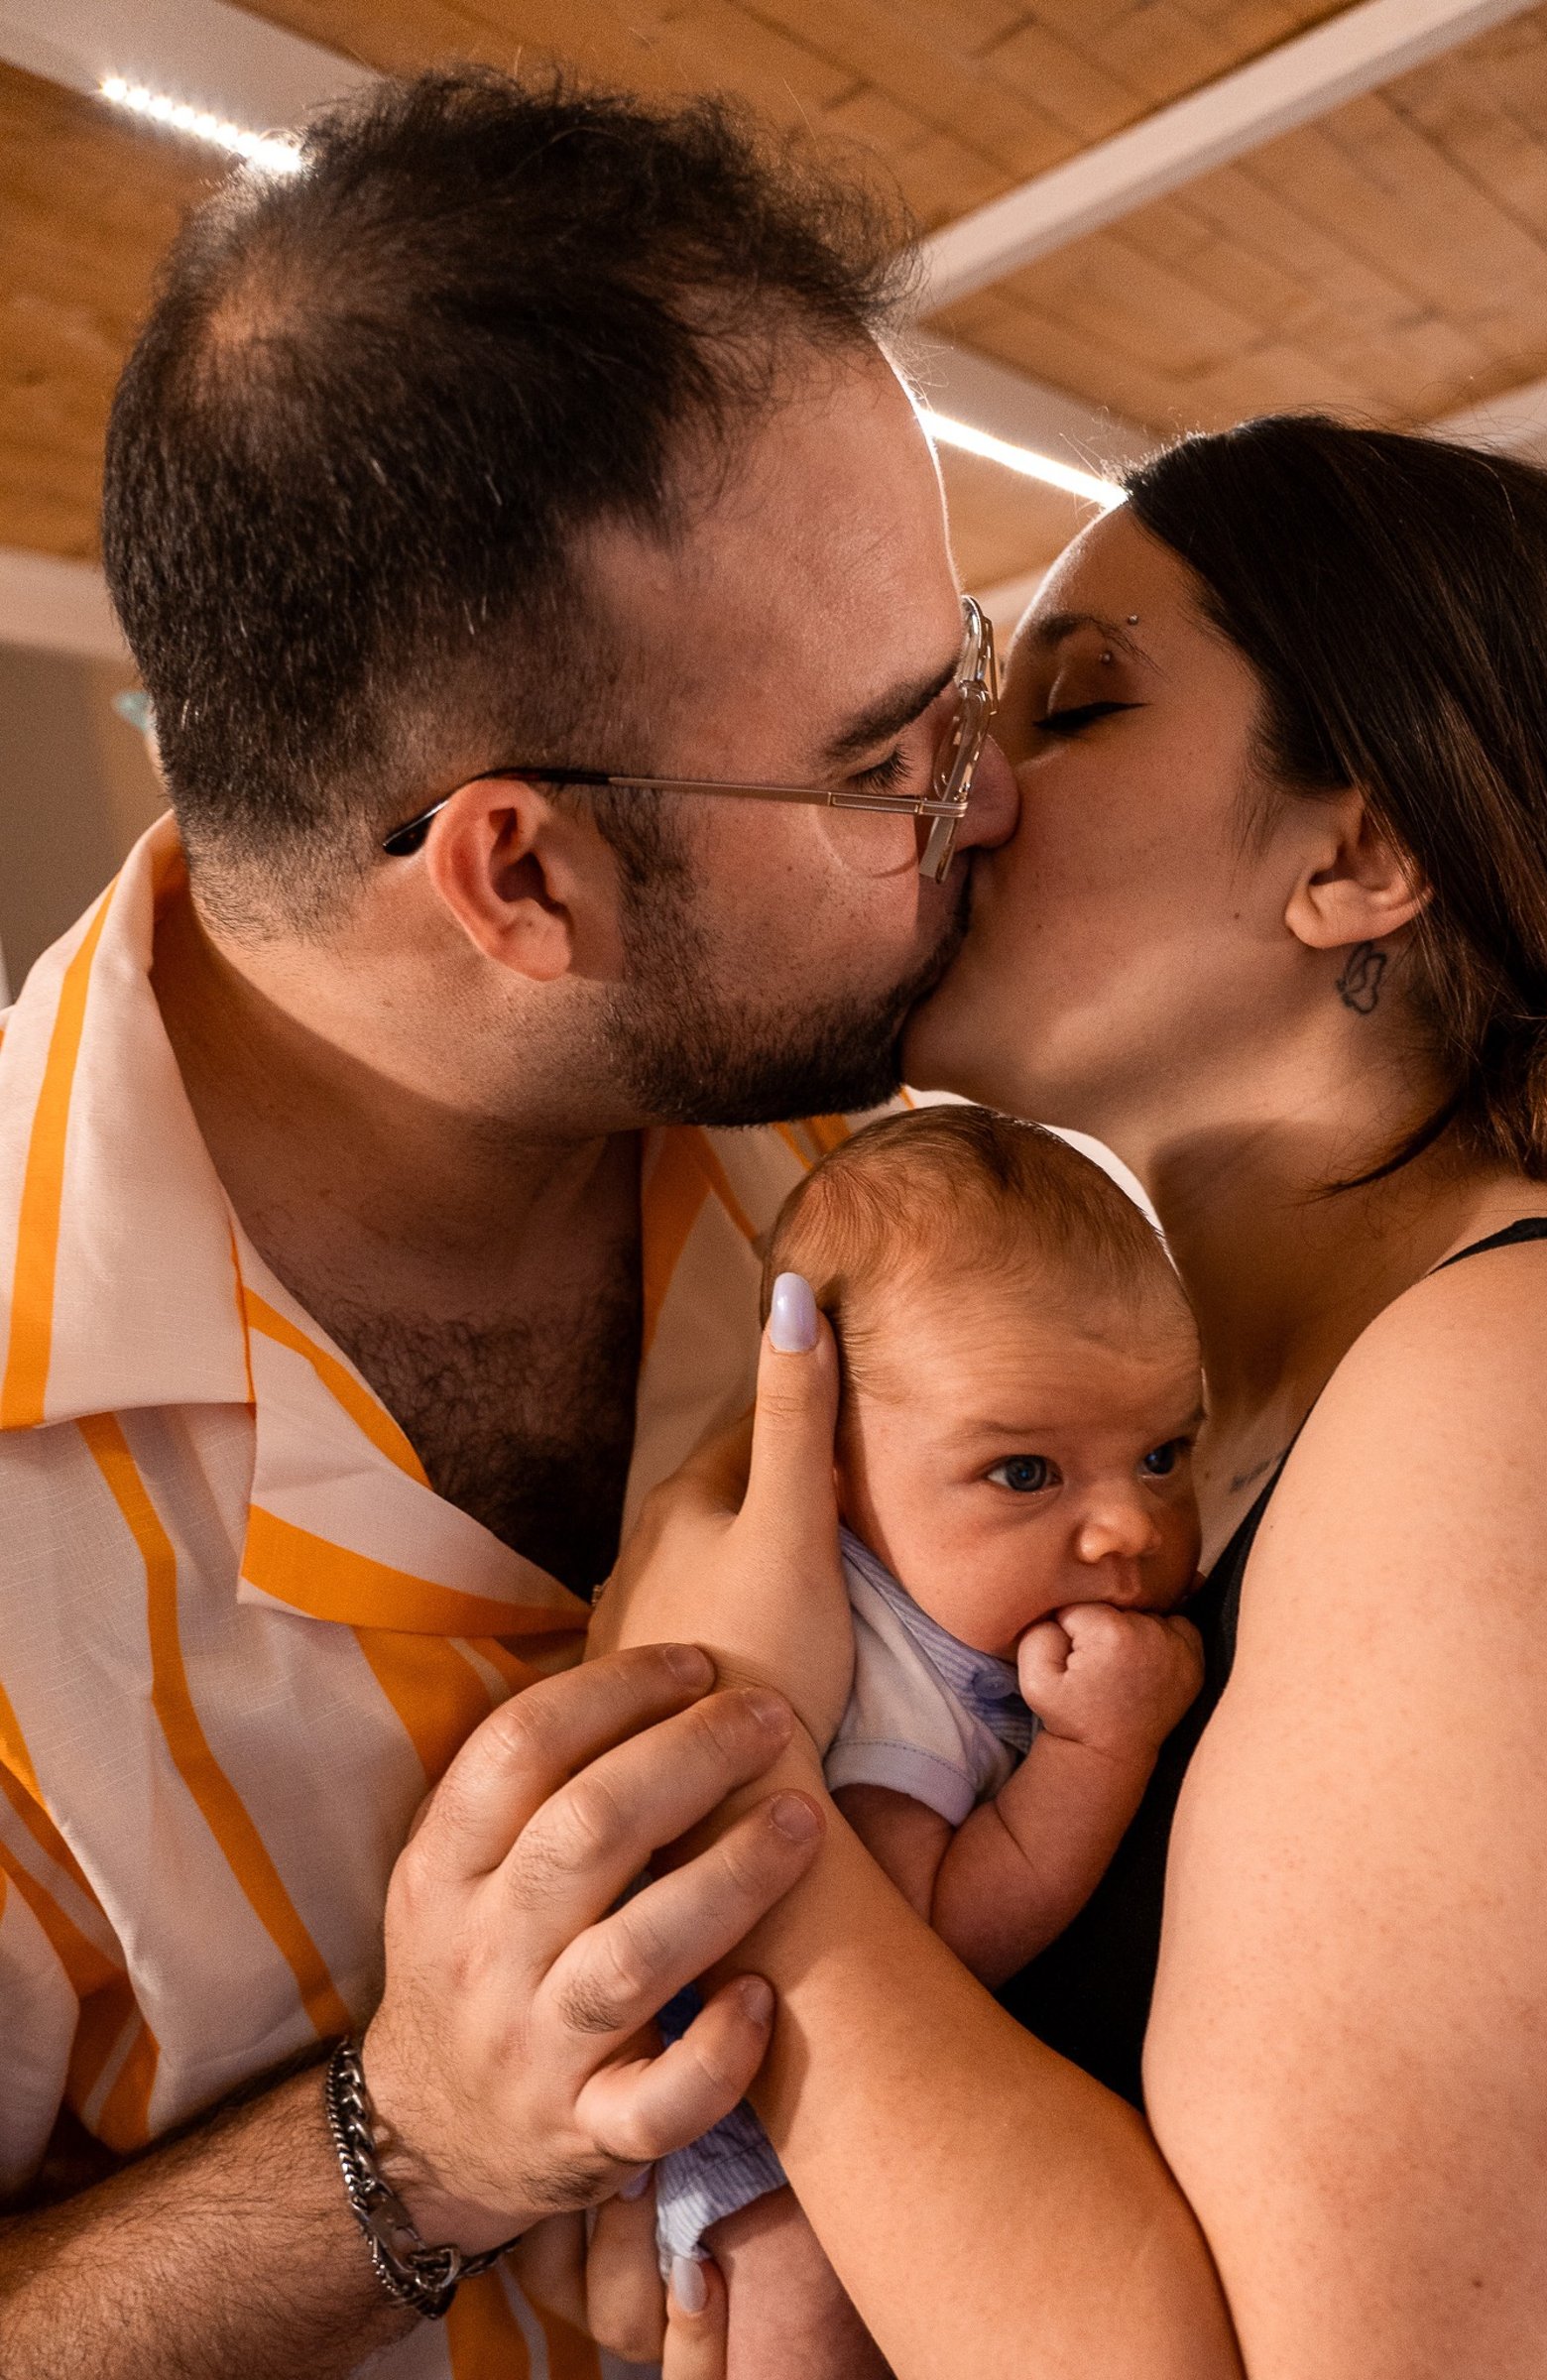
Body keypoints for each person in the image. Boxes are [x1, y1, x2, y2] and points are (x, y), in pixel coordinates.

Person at [600, 416, 1547, 2379]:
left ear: (1364, 856)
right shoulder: (1291, 1404)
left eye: (1080, 706)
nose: (967, 793)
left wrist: (749, 1810)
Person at [0, 67, 1013, 2380]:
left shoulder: (860, 1155)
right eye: (885, 762)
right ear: (520, 873)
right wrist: (412, 2138)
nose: (988, 799)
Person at [632, 1108, 1203, 2360]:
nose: (1129, 1529)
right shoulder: (891, 1668)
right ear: (829, 1463)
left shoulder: (987, 1608)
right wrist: (1099, 1756)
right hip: (776, 2119)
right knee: (799, 2305)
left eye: (1164, 1452)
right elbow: (918, 1945)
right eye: (1024, 1474)